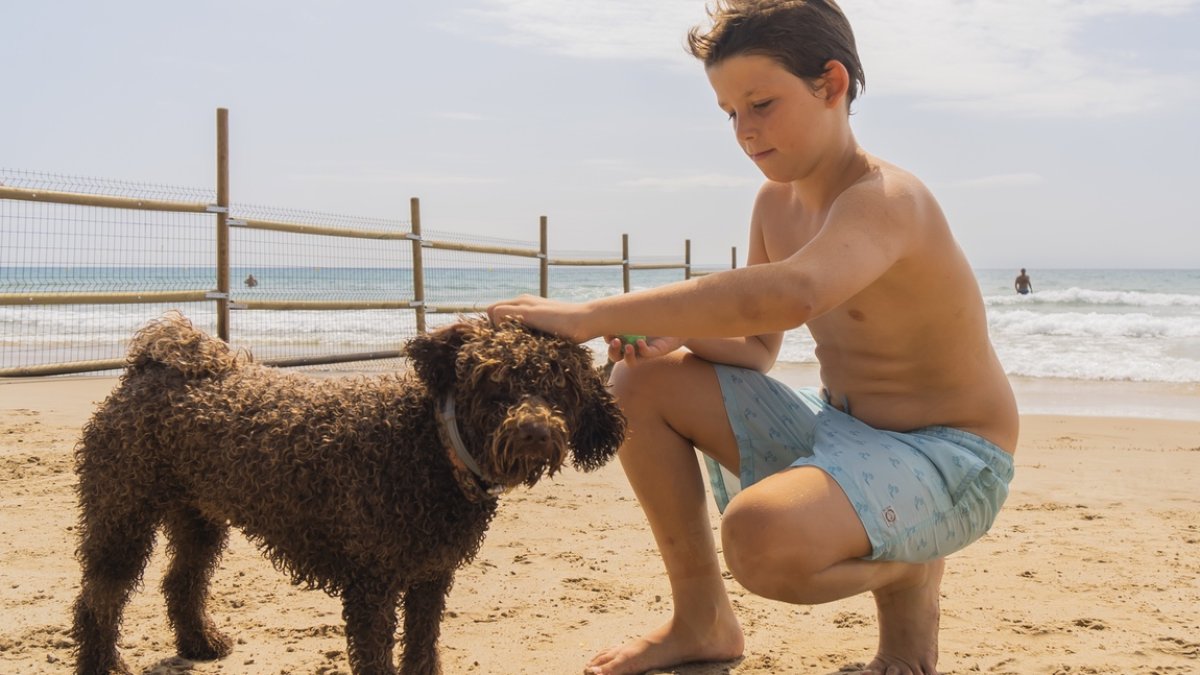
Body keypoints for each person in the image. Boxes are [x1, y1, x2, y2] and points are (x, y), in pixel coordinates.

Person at [489, 1, 1017, 673]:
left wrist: (591, 313)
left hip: (954, 458)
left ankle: (909, 574)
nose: (743, 130)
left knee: (759, 538)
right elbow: (758, 346)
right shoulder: (775, 204)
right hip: (844, 435)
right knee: (638, 382)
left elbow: (795, 292)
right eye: (729, 112)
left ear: (831, 85)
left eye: (761, 103)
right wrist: (667, 334)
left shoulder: (886, 197)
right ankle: (701, 620)